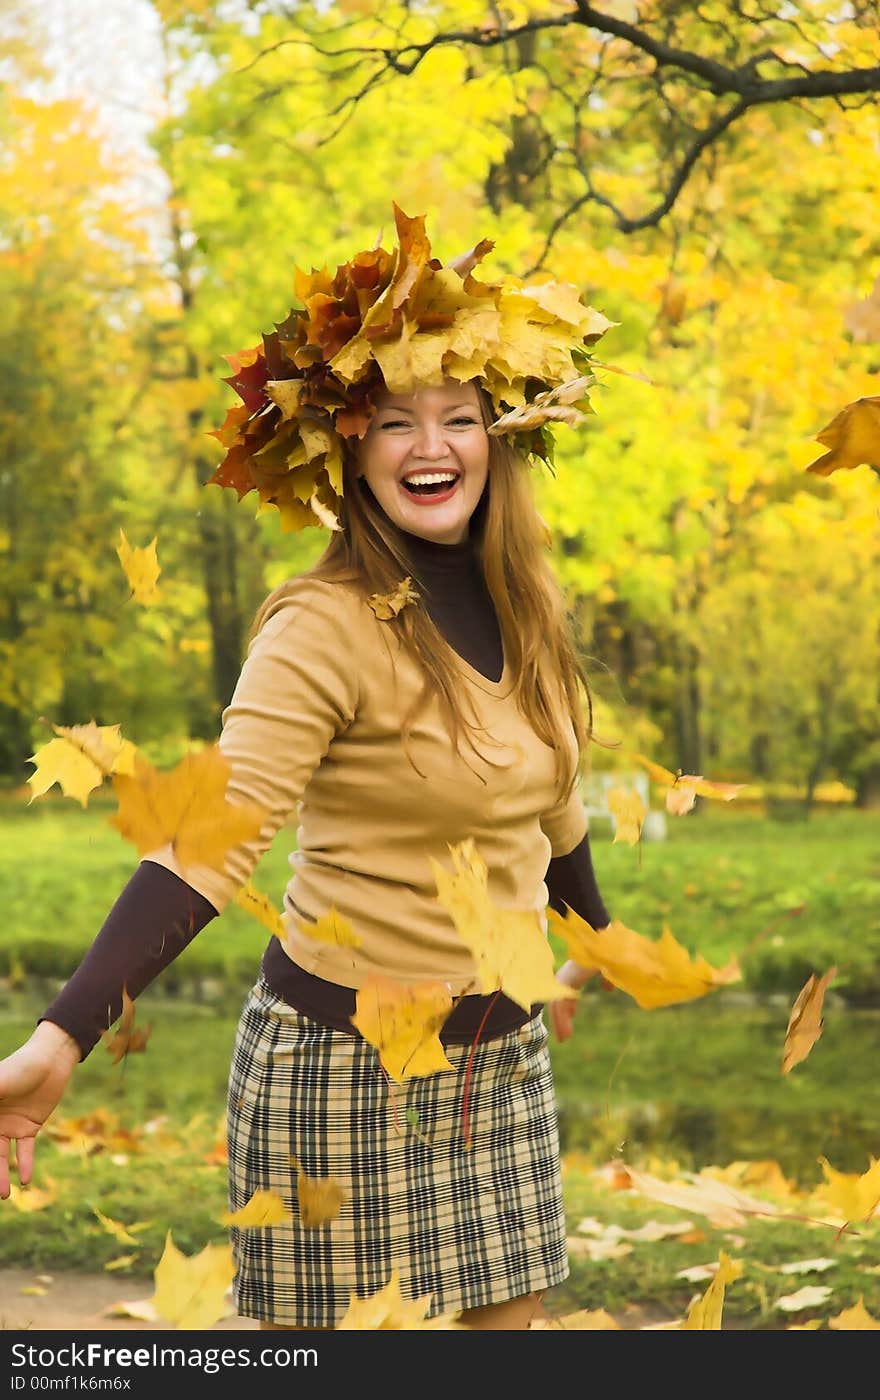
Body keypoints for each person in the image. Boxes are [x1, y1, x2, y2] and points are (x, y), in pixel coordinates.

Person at [0, 204, 616, 1331]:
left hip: (500, 1072)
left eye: (458, 416)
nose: (431, 446)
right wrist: (63, 1032)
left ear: (500, 434)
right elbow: (211, 838)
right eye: (393, 421)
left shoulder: (528, 601)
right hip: (342, 1081)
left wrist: (596, 940)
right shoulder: (321, 625)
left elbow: (551, 801)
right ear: (347, 444)